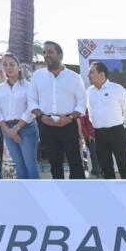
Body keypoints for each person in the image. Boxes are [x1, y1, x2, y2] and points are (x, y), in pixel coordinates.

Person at [28, 41, 86, 179]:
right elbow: (32, 100)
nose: (46, 55)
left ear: (60, 55)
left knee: (75, 162)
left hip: (68, 123)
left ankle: (79, 194)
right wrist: (41, 117)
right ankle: (59, 194)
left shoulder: (74, 77)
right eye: (45, 52)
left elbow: (82, 102)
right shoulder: (37, 76)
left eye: (50, 52)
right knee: (54, 162)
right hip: (46, 124)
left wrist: (69, 118)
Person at [0, 53, 39, 179]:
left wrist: (16, 129)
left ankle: (38, 194)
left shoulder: (29, 87)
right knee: (18, 165)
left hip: (27, 128)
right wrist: (9, 130)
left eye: (12, 64)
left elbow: (31, 109)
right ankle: (25, 195)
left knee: (30, 165)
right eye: (5, 64)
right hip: (7, 129)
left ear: (19, 67)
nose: (9, 67)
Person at [86, 61, 126, 179]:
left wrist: (124, 125)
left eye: (91, 72)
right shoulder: (89, 92)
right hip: (99, 134)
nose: (88, 75)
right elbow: (90, 112)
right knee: (105, 167)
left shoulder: (117, 89)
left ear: (102, 75)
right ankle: (111, 194)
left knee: (124, 165)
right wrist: (96, 124)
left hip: (116, 132)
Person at [78, 113, 101, 178]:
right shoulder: (82, 110)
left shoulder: (87, 109)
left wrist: (90, 134)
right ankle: (93, 171)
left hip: (93, 135)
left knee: (96, 154)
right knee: (91, 154)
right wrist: (87, 135)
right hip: (85, 136)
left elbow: (88, 123)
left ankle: (98, 170)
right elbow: (82, 124)